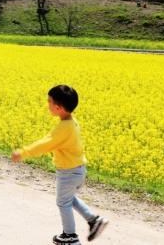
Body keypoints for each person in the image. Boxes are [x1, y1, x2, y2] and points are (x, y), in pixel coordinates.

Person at [12, 85, 109, 244]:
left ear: (57, 107)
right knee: (69, 199)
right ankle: (94, 220)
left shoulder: (63, 128)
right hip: (78, 170)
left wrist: (23, 152)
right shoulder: (71, 122)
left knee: (63, 202)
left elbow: (45, 144)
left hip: (68, 173)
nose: (47, 104)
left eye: (49, 102)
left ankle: (70, 236)